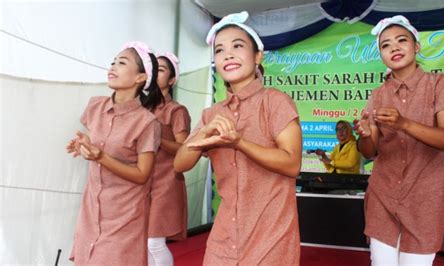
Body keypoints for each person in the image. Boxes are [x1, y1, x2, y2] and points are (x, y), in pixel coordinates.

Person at [174, 11, 302, 265]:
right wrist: (202, 134)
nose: (228, 54)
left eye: (238, 46)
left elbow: (291, 164)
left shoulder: (276, 101)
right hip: (224, 236)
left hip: (271, 236)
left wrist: (239, 143)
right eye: (219, 50)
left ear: (257, 56)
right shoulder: (212, 113)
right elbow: (179, 164)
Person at [354, 15, 444, 265]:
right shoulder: (378, 94)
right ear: (381, 55)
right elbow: (370, 152)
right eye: (386, 45)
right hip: (383, 195)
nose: (394, 47)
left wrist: (404, 124)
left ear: (417, 46)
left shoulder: (439, 84)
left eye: (401, 40)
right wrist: (366, 135)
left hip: (425, 199)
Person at [66, 41, 162, 265]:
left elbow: (142, 174)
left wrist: (101, 157)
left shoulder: (147, 122)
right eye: (113, 62)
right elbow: (100, 142)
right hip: (92, 211)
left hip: (124, 217)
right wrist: (84, 145)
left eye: (122, 62)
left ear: (140, 77)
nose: (113, 67)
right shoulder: (95, 106)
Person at [147, 52, 191, 266]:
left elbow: (184, 149)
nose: (155, 73)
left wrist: (159, 139)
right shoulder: (141, 108)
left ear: (172, 80)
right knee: (144, 242)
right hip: (141, 182)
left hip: (166, 182)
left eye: (161, 69)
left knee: (154, 243)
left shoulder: (177, 111)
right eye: (153, 68)